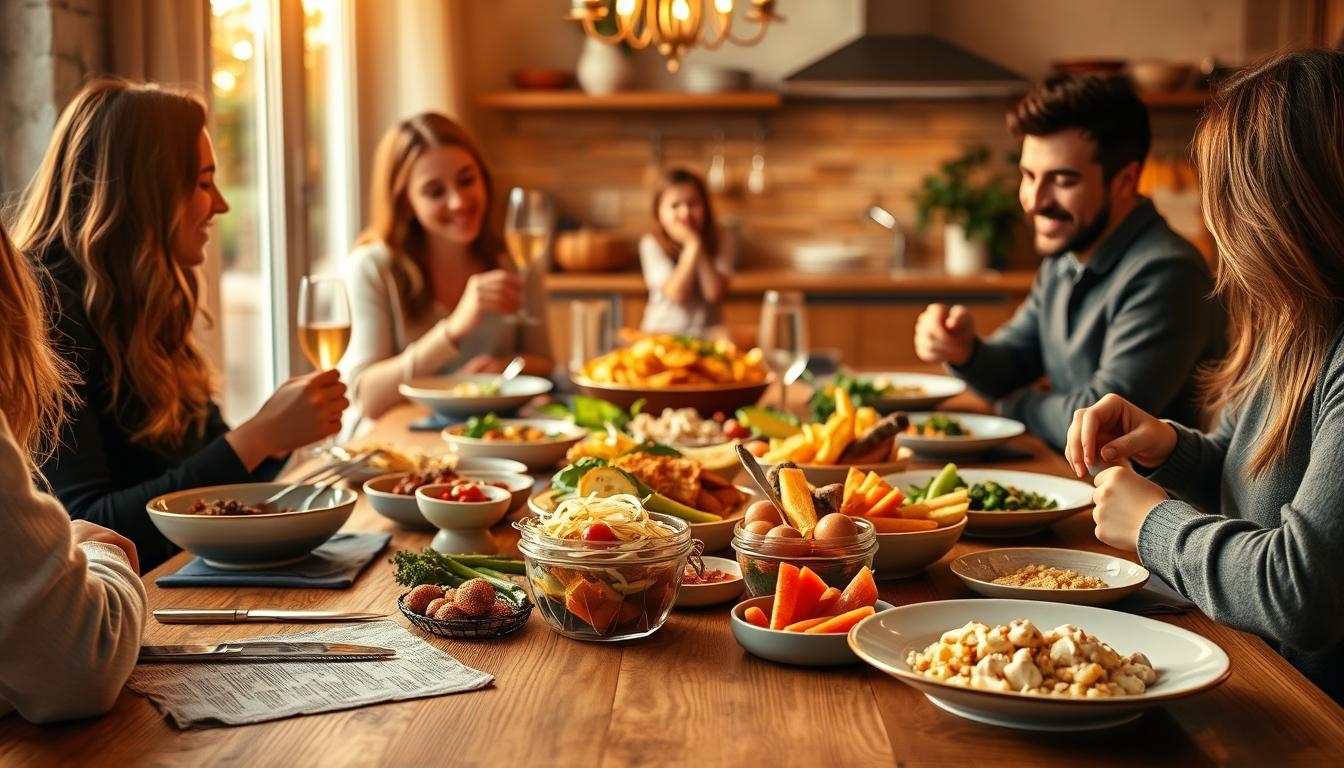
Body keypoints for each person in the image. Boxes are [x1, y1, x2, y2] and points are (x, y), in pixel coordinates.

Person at [1065, 49, 1344, 702]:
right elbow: (1256, 487)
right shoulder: (1295, 320)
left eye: (1224, 196)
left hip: (1313, 716)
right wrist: (1170, 447)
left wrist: (1151, 526)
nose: (1213, 223)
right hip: (1263, 670)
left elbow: (1299, 590)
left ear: (1281, 207)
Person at [13, 79, 348, 573]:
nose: (220, 205)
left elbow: (205, 469)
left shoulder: (142, 295)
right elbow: (85, 529)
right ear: (148, 190)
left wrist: (277, 435)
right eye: (203, 182)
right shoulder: (45, 306)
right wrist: (257, 437)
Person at [913, 74, 1224, 452]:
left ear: (1125, 182)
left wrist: (1014, 405)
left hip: (1152, 505)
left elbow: (1101, 423)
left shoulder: (1168, 273)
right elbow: (1014, 360)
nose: (1034, 200)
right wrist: (965, 352)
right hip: (1077, 482)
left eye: (1062, 181)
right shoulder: (1067, 255)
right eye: (1029, 176)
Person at [0, 218, 146, 723]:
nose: (219, 205)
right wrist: (99, 551)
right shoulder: (64, 302)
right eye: (202, 183)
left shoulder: (160, 319)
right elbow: (82, 662)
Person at [342, 112, 553, 425]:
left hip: (488, 441)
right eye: (434, 192)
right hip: (392, 448)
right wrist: (454, 329)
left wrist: (506, 367)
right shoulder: (373, 267)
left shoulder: (516, 261)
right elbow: (366, 397)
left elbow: (546, 364)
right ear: (405, 203)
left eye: (467, 180)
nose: (458, 202)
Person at [638, 168, 735, 337]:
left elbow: (714, 293)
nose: (685, 213)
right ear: (659, 212)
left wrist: (696, 245)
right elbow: (677, 293)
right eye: (675, 205)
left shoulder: (724, 237)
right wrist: (692, 245)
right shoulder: (650, 243)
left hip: (710, 337)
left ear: (706, 206)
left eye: (693, 203)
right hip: (661, 336)